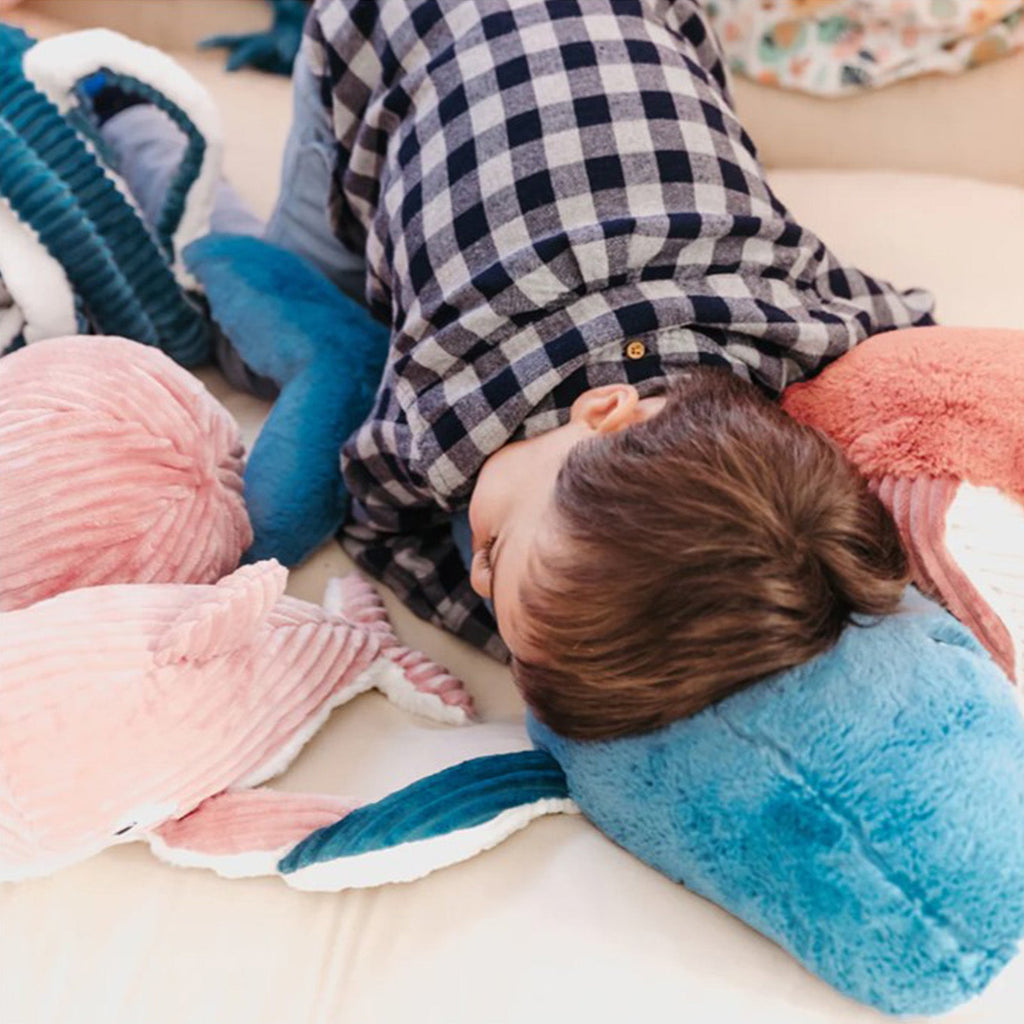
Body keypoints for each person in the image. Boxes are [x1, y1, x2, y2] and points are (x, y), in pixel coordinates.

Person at [118, 0, 930, 738]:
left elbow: (911, 318)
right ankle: (132, 122)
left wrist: (553, 630)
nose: (473, 567)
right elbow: (369, 505)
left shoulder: (792, 323)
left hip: (638, 19)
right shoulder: (448, 417)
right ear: (605, 412)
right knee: (258, 331)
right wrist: (503, 637)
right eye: (496, 551)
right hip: (374, 43)